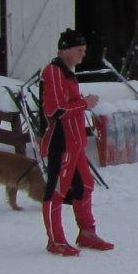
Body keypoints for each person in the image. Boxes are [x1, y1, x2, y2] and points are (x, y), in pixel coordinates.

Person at [39, 28, 111, 255]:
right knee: (57, 190)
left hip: (76, 142)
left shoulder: (67, 73)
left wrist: (81, 101)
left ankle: (87, 231)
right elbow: (55, 109)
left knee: (86, 185)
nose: (83, 54)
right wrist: (84, 104)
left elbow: (67, 103)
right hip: (61, 142)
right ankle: (55, 240)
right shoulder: (53, 72)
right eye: (79, 50)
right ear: (66, 50)